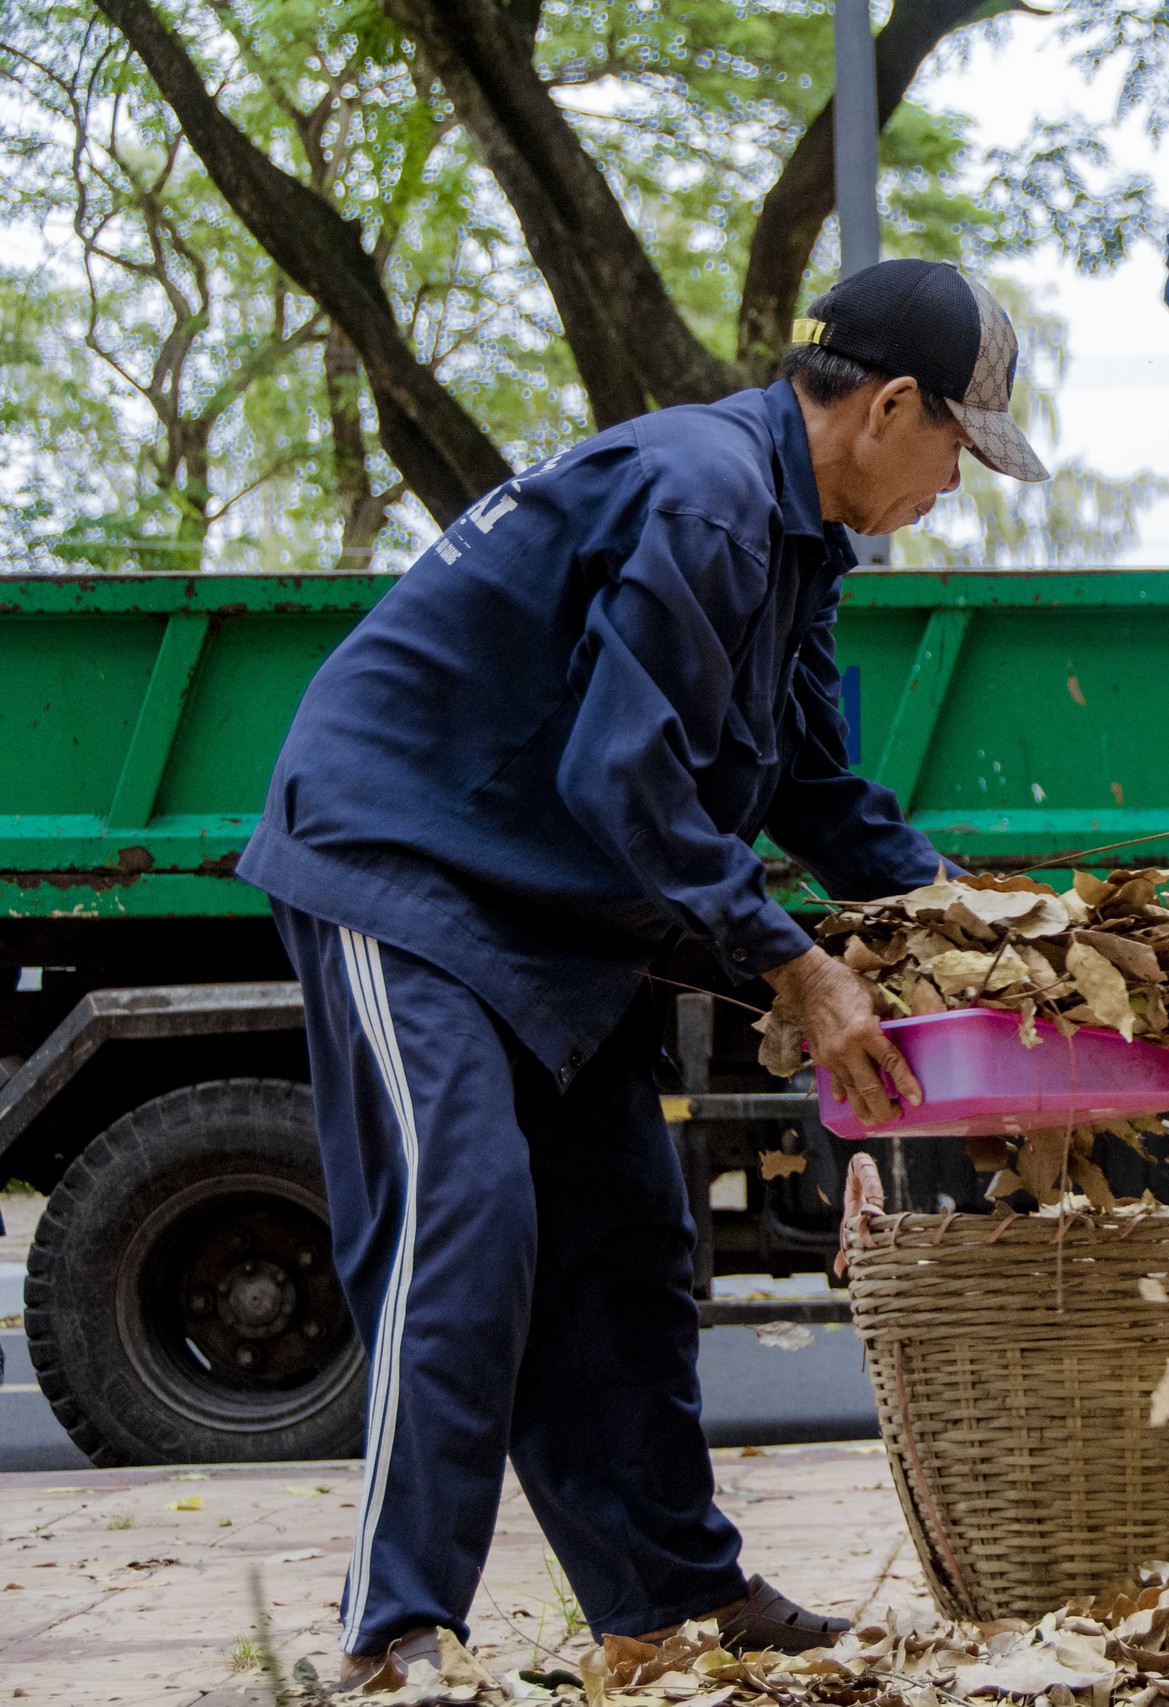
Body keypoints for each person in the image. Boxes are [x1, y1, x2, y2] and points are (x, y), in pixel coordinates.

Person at [238, 259, 1049, 1688]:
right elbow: (623, 771)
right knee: (465, 1216)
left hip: (551, 905)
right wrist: (793, 962)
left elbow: (811, 782)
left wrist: (969, 921)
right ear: (890, 405)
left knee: (626, 1241)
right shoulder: (705, 493)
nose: (955, 486)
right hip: (402, 861)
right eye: (957, 451)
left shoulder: (797, 541)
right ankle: (398, 1626)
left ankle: (669, 1595)